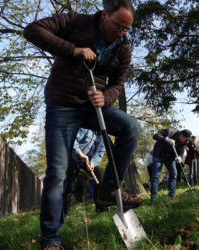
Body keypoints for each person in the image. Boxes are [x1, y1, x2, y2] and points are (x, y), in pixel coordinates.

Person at [23, 1, 142, 249]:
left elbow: (118, 82)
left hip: (93, 105)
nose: (121, 32)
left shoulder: (123, 46)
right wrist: (74, 50)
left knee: (130, 127)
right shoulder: (76, 21)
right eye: (118, 25)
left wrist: (106, 97)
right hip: (62, 105)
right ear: (104, 14)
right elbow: (32, 30)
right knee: (57, 173)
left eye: (126, 29)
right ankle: (50, 240)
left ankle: (107, 190)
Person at [63, 128, 106, 217]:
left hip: (89, 162)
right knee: (69, 185)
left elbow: (100, 153)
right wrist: (80, 154)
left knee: (101, 177)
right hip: (74, 158)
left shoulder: (104, 138)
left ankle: (100, 209)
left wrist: (93, 163)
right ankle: (64, 213)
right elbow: (73, 140)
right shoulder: (86, 129)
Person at [150, 128, 192, 199]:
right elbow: (155, 136)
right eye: (186, 139)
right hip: (158, 155)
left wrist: (180, 157)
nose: (187, 142)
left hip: (170, 158)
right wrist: (165, 139)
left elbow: (181, 152)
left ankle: (172, 194)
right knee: (155, 176)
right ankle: (153, 197)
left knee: (173, 174)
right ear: (181, 136)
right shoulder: (170, 131)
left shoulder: (183, 143)